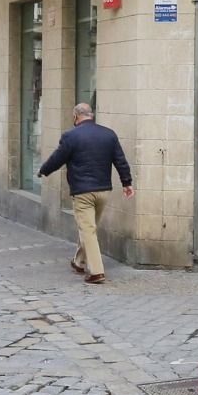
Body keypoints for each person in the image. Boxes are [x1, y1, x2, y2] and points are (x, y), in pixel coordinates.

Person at [37, 103, 132, 285]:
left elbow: (58, 158)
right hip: (104, 190)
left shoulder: (71, 136)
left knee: (88, 229)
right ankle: (79, 262)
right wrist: (127, 183)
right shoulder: (108, 134)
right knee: (89, 228)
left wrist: (44, 170)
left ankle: (96, 272)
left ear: (75, 116)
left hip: (82, 192)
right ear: (91, 115)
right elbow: (120, 161)